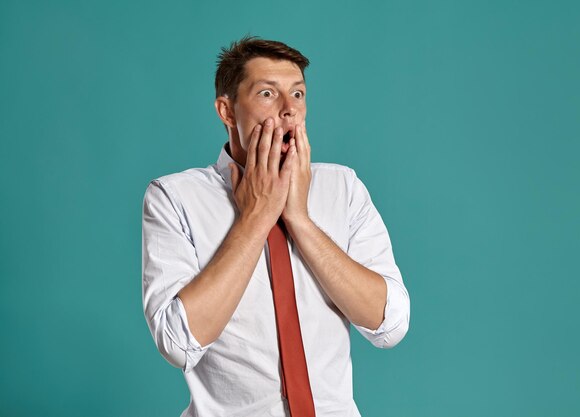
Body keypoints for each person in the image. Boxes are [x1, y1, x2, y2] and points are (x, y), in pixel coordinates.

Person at [142, 36, 410, 417]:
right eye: (268, 94)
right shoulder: (174, 197)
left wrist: (298, 218)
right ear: (227, 111)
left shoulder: (343, 187)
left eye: (298, 95)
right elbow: (178, 343)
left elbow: (390, 324)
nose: (289, 111)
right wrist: (256, 218)